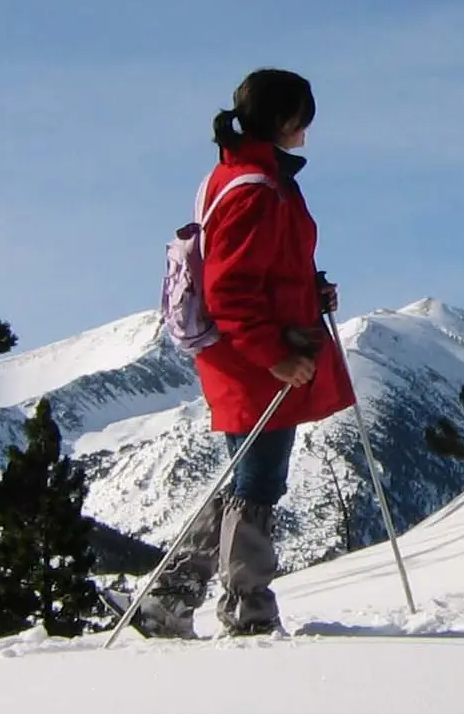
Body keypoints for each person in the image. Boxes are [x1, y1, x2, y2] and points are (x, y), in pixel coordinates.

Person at [134, 68, 356, 639]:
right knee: (258, 482)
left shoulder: (243, 175)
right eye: (302, 117)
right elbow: (230, 289)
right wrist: (273, 353)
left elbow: (265, 266)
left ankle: (171, 597)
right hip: (257, 356)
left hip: (255, 348)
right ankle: (247, 607)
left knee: (244, 476)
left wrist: (310, 290)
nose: (307, 129)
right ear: (285, 120)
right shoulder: (255, 186)